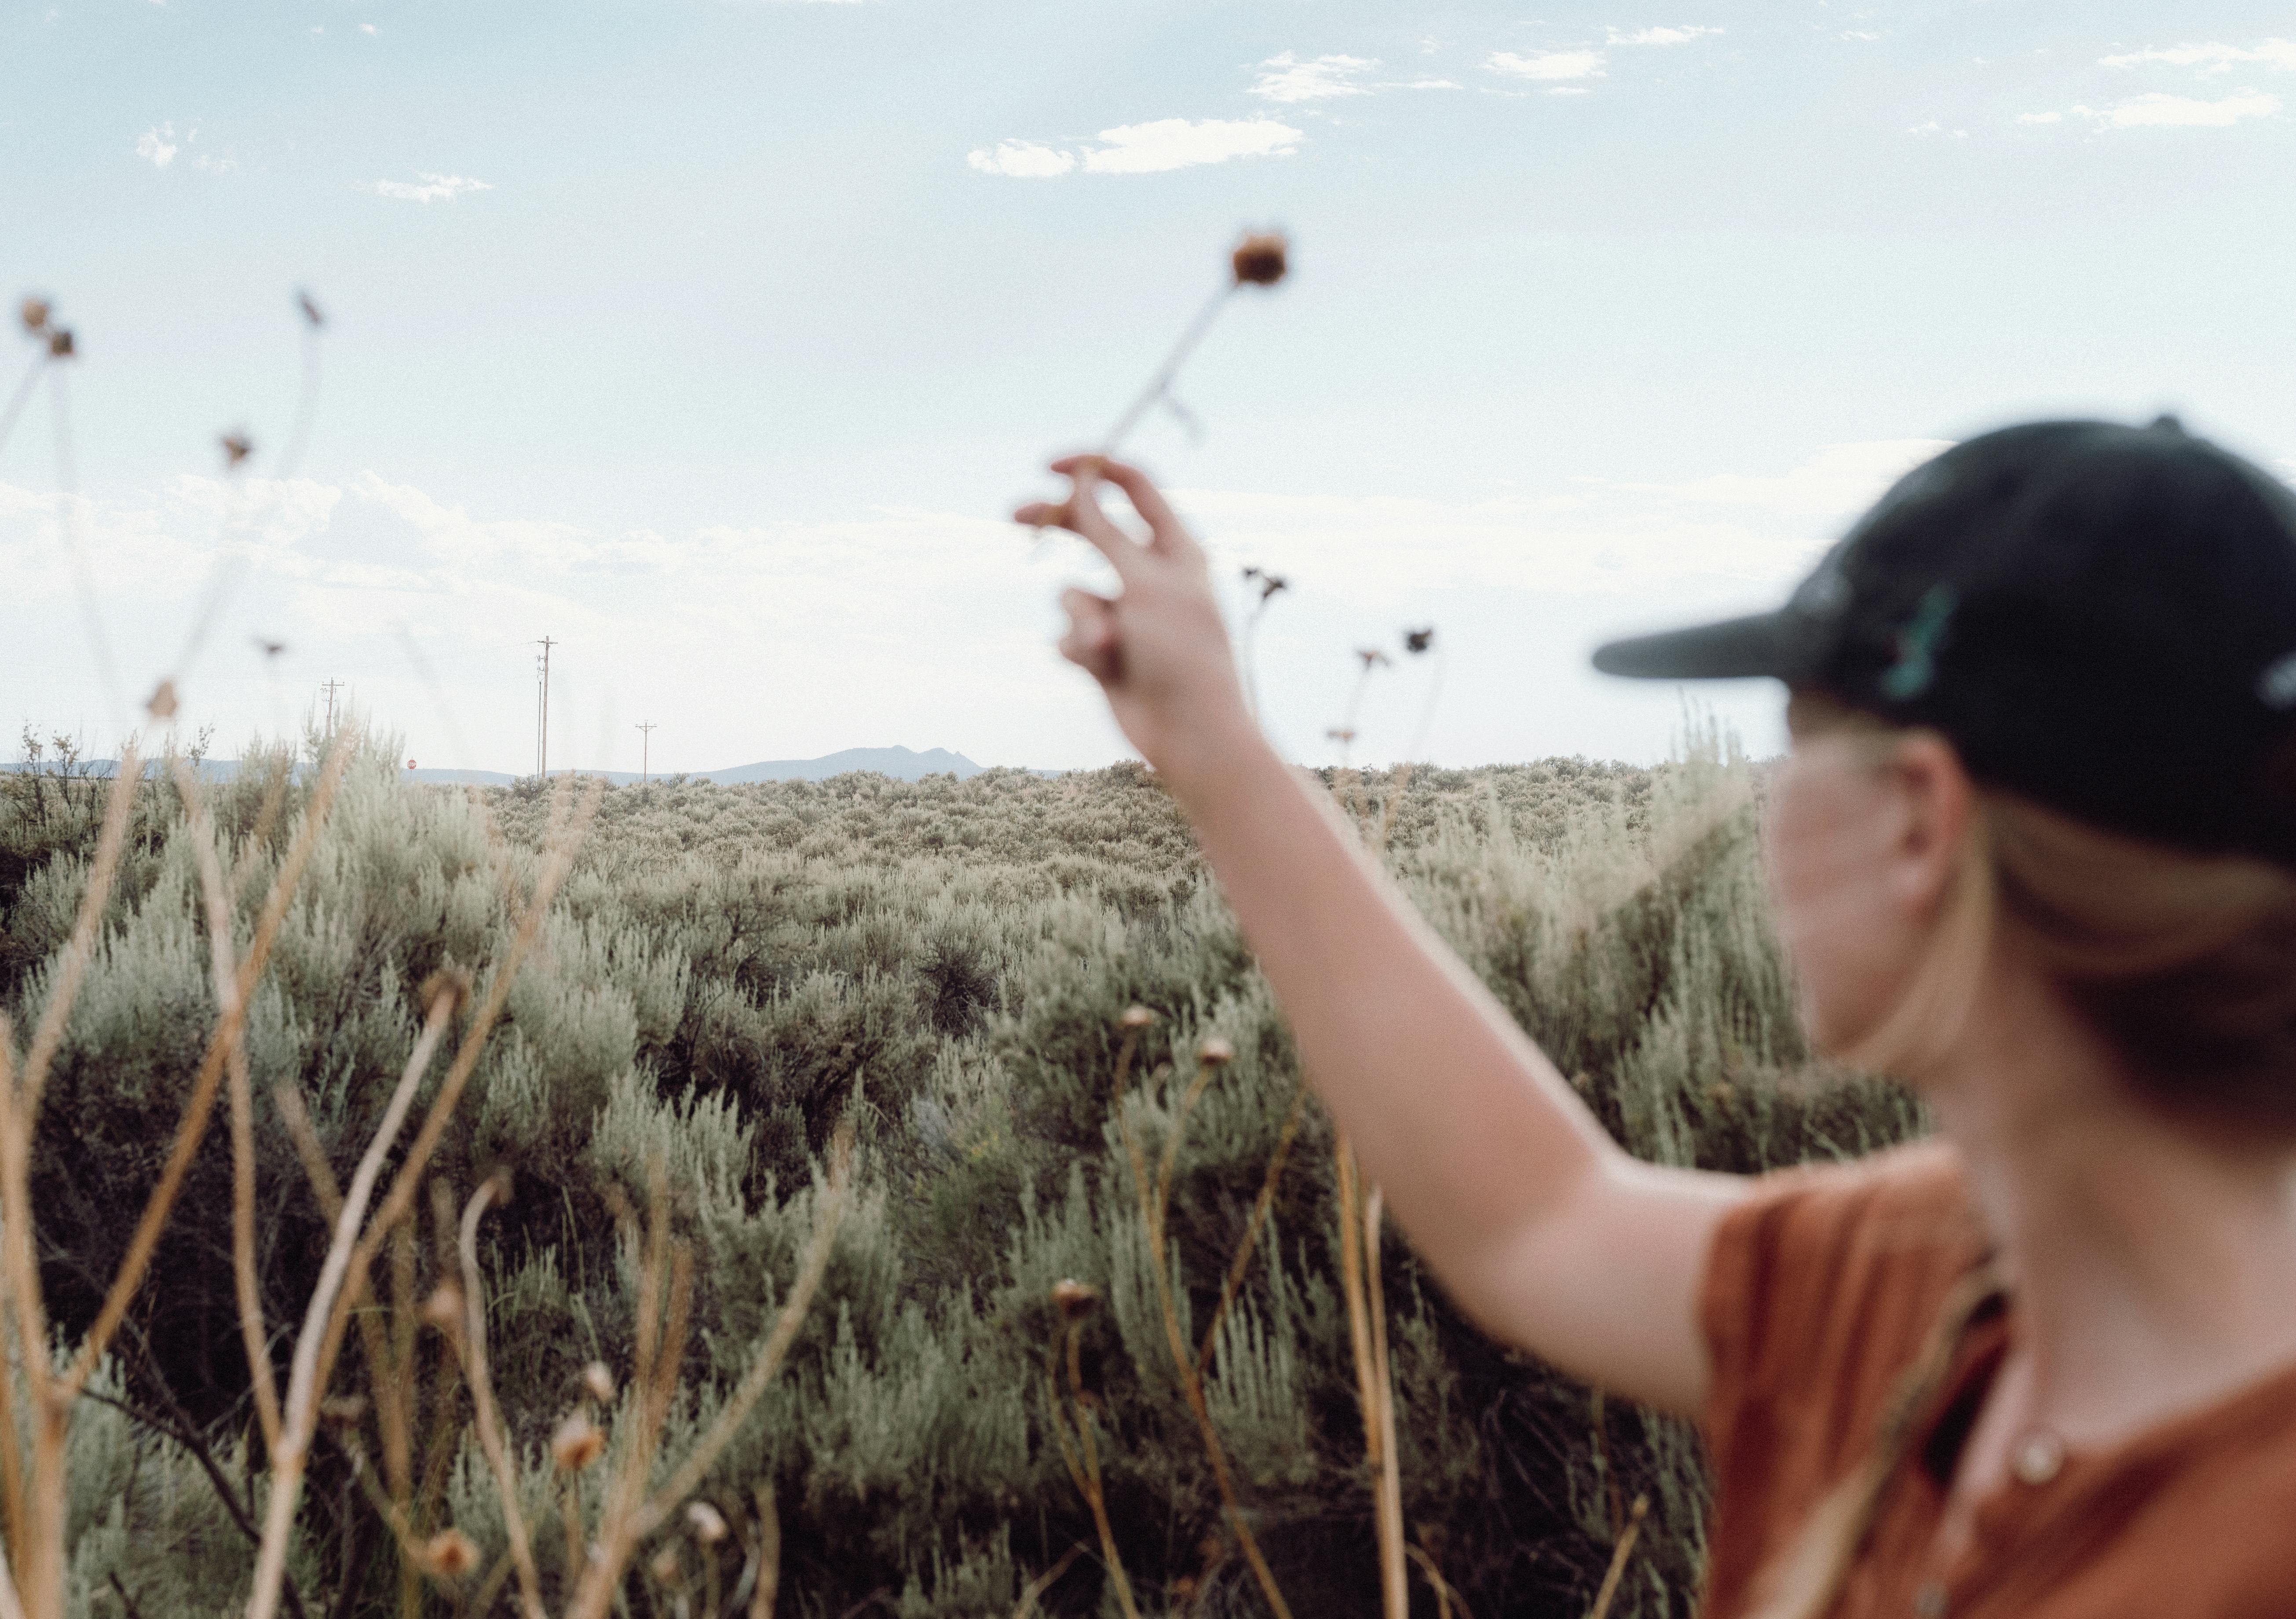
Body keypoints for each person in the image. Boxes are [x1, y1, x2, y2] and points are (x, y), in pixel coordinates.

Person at [1016, 417, 2296, 1618]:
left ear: (1920, 822)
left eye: (1791, 742)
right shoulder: (1952, 1278)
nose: (1764, 801)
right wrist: (1215, 745)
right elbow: (1540, 1217)